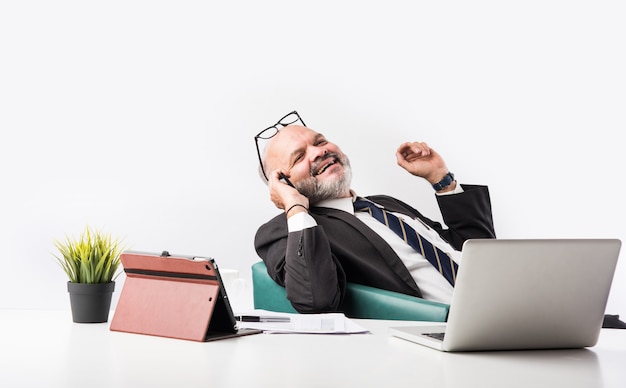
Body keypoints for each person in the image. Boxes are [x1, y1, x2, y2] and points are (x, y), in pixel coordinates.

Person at [254, 111, 496, 313]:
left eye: (319, 142)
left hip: (501, 300)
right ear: (282, 182)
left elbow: (478, 253)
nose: (319, 152)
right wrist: (294, 207)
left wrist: (441, 179)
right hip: (456, 327)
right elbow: (316, 299)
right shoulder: (284, 231)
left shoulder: (384, 204)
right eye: (299, 157)